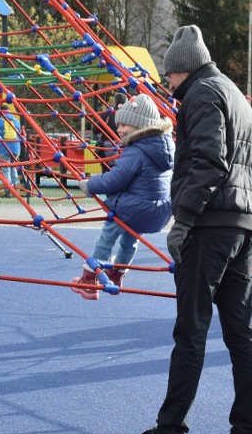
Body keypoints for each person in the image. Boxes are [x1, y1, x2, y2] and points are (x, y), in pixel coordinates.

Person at [128, 25, 252, 434]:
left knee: (191, 329)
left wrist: (183, 220)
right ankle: (247, 432)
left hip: (210, 225)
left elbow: (209, 160)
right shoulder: (235, 94)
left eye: (168, 75)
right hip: (242, 222)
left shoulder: (202, 94)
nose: (166, 84)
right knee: (240, 332)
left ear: (182, 69)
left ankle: (171, 431)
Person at [71, 94, 174, 299]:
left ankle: (90, 280)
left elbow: (115, 180)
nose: (119, 129)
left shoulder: (136, 150)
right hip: (160, 212)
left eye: (124, 124)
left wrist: (90, 185)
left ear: (140, 126)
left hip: (135, 208)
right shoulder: (167, 146)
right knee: (130, 239)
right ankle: (117, 274)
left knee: (109, 233)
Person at [0, 104, 22, 197]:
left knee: (5, 169)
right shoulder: (16, 121)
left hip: (5, 148)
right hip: (16, 147)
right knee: (13, 167)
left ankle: (9, 190)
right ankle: (15, 187)